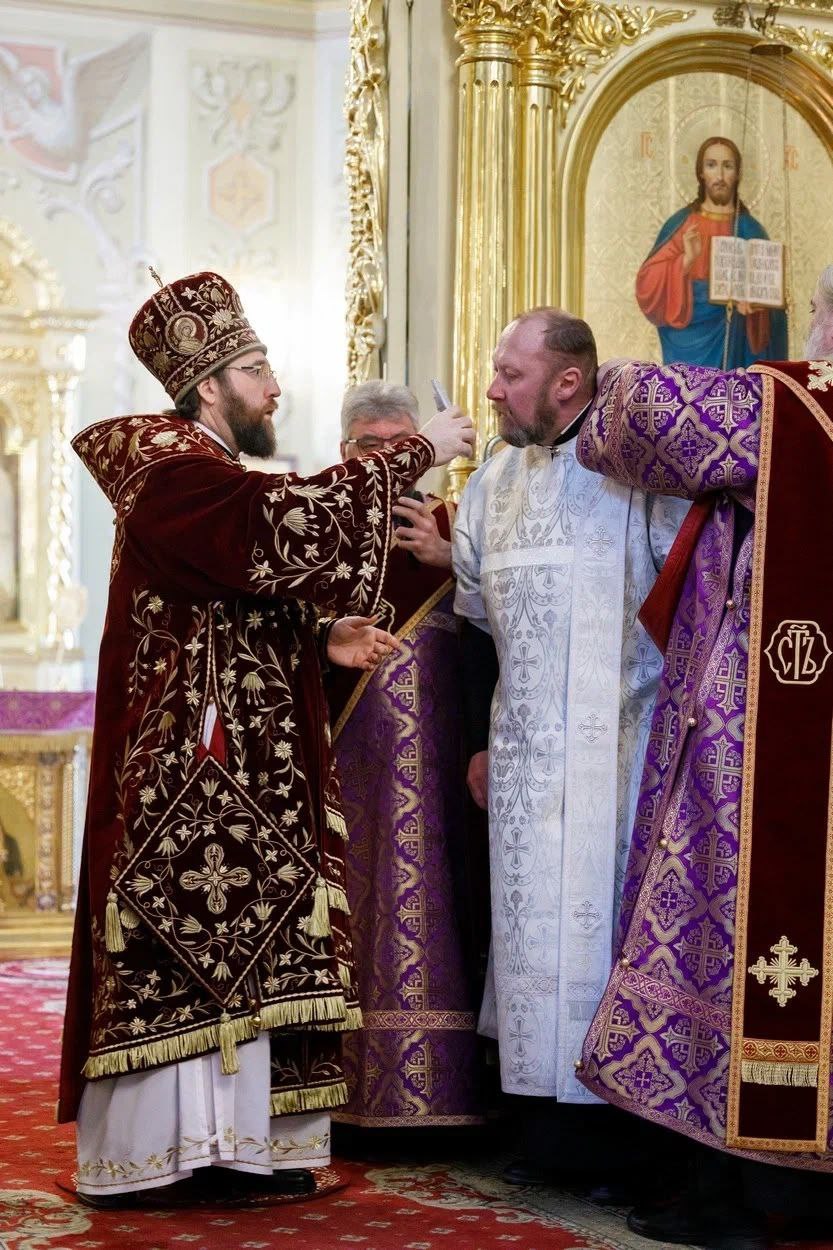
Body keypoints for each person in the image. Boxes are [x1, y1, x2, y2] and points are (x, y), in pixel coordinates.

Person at [57, 270, 474, 1207]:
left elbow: (228, 596)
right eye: (256, 370)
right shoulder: (169, 468)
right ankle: (157, 1160)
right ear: (207, 385)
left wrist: (320, 637)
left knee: (253, 950)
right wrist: (413, 452)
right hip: (186, 772)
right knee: (189, 951)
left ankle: (237, 1148)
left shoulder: (203, 469)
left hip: (246, 769)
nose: (274, 387)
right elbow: (276, 526)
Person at [575, 265, 833, 1248]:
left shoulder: (787, 407)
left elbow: (626, 418)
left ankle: (746, 1190)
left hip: (772, 733)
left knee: (732, 938)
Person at [452, 307, 688, 1185]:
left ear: (568, 381)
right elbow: (474, 625)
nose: (491, 390)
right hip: (521, 764)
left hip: (622, 761)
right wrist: (479, 743)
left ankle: (624, 1145)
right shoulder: (492, 482)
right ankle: (542, 1138)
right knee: (526, 950)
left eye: (509, 375)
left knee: (604, 948)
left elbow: (692, 610)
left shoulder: (641, 480)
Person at [327, 379, 483, 1131]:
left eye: (405, 446)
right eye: (373, 448)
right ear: (344, 451)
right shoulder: (320, 531)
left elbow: (504, 638)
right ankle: (340, 1092)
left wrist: (456, 561)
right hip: (346, 777)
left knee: (452, 914)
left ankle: (453, 1093)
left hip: (449, 779)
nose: (393, 461)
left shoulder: (457, 525)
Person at [636, 135, 788, 368]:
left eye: (727, 166)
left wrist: (756, 310)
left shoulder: (752, 230)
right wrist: (686, 261)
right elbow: (647, 287)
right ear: (701, 172)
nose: (719, 176)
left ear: (738, 174)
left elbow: (769, 305)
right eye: (711, 165)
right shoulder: (683, 225)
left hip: (738, 352)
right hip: (689, 348)